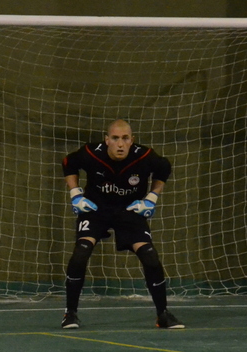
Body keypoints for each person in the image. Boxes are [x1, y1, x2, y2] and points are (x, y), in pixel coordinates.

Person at [61, 119, 184, 330]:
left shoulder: (144, 156)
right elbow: (68, 163)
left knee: (150, 257)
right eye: (115, 138)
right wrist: (75, 194)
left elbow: (164, 168)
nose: (120, 144)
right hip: (96, 210)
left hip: (129, 211)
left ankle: (163, 315)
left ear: (132, 140)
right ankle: (70, 314)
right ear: (107, 140)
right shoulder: (91, 153)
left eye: (125, 138)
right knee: (81, 253)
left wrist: (151, 198)